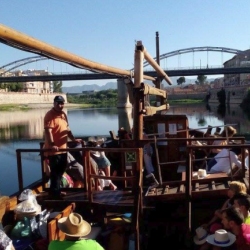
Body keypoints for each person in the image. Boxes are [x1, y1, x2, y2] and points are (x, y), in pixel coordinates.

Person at [43, 95, 82, 199]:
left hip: (63, 149)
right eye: (58, 103)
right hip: (54, 151)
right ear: (54, 103)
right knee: (55, 172)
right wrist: (52, 145)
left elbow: (67, 129)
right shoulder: (50, 115)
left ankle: (57, 191)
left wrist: (73, 139)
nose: (60, 105)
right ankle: (55, 194)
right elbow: (48, 132)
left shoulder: (63, 115)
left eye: (62, 103)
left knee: (61, 170)